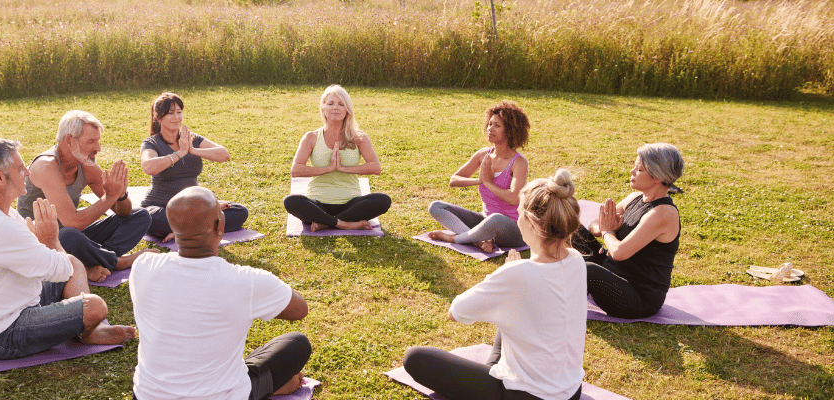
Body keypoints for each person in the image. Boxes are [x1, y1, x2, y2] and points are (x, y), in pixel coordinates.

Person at [403, 169, 586, 400]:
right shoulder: (576, 259)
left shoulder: (516, 274)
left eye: (519, 214)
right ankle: (492, 372)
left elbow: (455, 312)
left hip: (526, 396)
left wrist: (507, 275)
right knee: (511, 314)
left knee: (415, 358)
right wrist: (514, 280)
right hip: (571, 392)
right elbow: (543, 289)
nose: (517, 220)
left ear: (530, 222)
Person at [0, 138, 136, 360]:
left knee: (75, 262)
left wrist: (45, 243)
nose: (27, 173)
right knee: (94, 307)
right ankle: (86, 331)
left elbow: (52, 262)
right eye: (20, 168)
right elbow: (60, 269)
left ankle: (86, 330)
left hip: (13, 306)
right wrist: (50, 240)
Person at [130, 186, 312, 400]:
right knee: (297, 344)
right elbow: (299, 309)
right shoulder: (246, 280)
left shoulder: (143, 265)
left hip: (147, 397)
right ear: (220, 226)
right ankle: (267, 386)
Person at [17, 110, 153, 283]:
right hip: (41, 244)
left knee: (140, 216)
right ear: (69, 141)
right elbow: (74, 222)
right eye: (91, 141)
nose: (98, 148)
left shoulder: (85, 163)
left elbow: (123, 212)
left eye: (97, 141)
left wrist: (120, 194)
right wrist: (110, 196)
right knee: (69, 235)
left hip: (73, 238)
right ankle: (117, 261)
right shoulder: (46, 166)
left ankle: (94, 261)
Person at [573, 143, 684, 319]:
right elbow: (596, 223)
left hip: (637, 297)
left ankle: (554, 305)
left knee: (587, 270)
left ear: (657, 176)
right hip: (610, 271)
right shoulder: (635, 198)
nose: (632, 172)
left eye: (639, 169)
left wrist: (608, 232)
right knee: (571, 228)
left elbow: (618, 252)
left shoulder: (663, 213)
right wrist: (605, 228)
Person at [139, 92, 249, 243]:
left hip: (192, 208)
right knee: (147, 218)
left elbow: (224, 154)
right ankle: (200, 227)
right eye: (170, 113)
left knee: (239, 212)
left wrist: (193, 150)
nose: (176, 117)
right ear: (158, 117)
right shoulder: (151, 143)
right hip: (161, 207)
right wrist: (179, 153)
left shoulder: (192, 139)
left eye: (179, 112)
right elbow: (148, 167)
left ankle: (182, 231)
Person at [283, 84, 391, 231]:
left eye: (341, 104)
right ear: (323, 109)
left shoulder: (358, 137)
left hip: (350, 203)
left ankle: (326, 223)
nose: (335, 107)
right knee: (292, 201)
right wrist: (328, 169)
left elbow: (375, 168)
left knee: (382, 200)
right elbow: (296, 170)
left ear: (347, 110)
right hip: (318, 202)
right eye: (331, 103)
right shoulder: (311, 137)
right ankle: (343, 223)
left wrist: (343, 168)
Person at [428, 101, 531, 252]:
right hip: (484, 222)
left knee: (496, 218)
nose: (490, 129)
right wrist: (480, 180)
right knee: (436, 207)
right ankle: (479, 241)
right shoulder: (483, 154)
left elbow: (513, 198)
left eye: (497, 125)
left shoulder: (519, 162)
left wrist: (488, 183)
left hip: (512, 228)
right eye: (489, 124)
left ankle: (454, 238)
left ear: (510, 130)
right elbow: (454, 180)